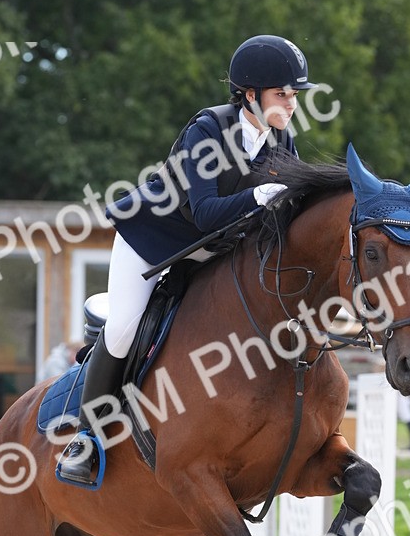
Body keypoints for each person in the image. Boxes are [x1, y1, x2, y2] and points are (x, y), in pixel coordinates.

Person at [58, 33, 317, 484]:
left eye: (294, 95)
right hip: (152, 241)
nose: (291, 103)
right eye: (283, 94)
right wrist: (258, 194)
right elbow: (203, 212)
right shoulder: (208, 131)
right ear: (250, 95)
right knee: (122, 328)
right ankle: (85, 437)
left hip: (211, 251)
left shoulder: (281, 140)